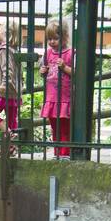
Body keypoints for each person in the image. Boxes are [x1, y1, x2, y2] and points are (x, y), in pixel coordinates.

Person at [39, 16, 73, 157]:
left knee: (65, 128)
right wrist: (42, 71)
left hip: (65, 98)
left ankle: (65, 154)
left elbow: (77, 73)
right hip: (52, 98)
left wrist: (64, 67)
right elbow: (43, 70)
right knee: (55, 128)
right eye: (49, 39)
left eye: (55, 38)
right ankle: (57, 153)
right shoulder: (47, 54)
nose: (51, 42)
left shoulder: (71, 53)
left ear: (64, 37)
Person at [0, 20, 22, 150]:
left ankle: (9, 133)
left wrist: (4, 85)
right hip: (15, 92)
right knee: (12, 120)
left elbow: (8, 70)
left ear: (3, 33)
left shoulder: (4, 51)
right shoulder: (14, 50)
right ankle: (11, 148)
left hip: (4, 90)